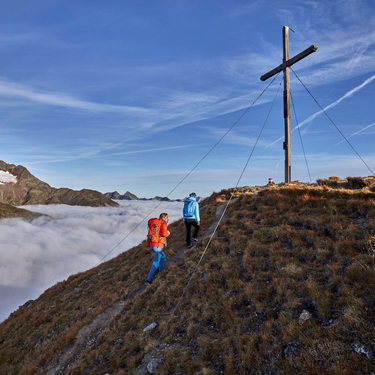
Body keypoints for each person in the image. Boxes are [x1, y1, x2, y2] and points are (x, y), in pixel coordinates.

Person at [146, 213, 170, 284]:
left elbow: (149, 236)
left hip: (152, 245)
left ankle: (161, 271)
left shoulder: (154, 224)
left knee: (163, 257)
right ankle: (149, 280)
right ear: (164, 218)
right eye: (167, 218)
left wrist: (149, 246)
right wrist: (168, 233)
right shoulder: (163, 224)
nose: (168, 219)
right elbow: (164, 234)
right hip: (158, 246)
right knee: (156, 263)